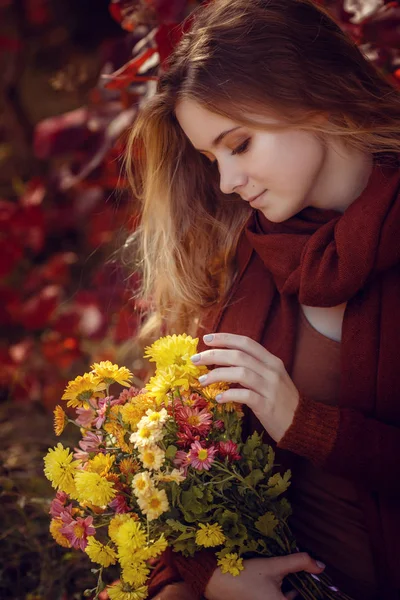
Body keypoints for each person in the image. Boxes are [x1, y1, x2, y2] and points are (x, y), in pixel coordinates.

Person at [125, 0, 400, 598]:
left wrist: (305, 423)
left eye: (240, 144)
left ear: (314, 93)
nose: (226, 181)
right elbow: (182, 470)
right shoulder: (244, 252)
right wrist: (215, 578)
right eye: (210, 158)